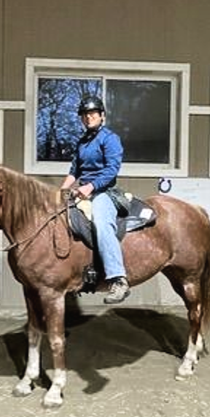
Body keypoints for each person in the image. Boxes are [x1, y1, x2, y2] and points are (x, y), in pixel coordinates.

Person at [60, 95, 130, 304]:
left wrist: (89, 187)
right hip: (82, 191)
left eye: (92, 113)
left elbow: (111, 170)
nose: (88, 117)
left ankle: (118, 279)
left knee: (101, 221)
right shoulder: (82, 143)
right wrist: (62, 190)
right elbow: (75, 171)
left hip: (104, 193)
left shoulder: (110, 139)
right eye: (84, 115)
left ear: (101, 116)